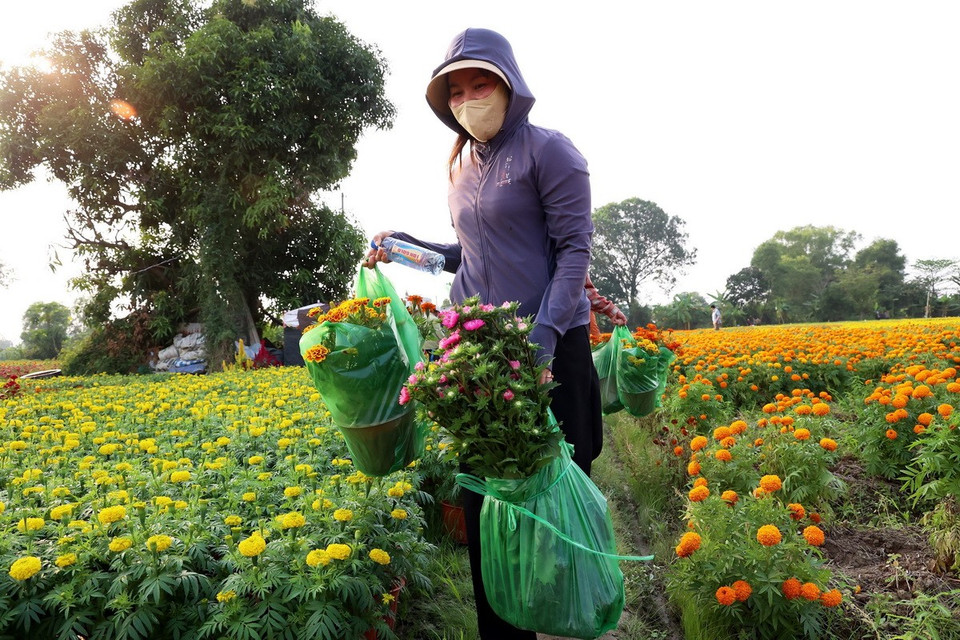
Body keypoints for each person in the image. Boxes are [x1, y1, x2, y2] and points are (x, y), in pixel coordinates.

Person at [365, 27, 602, 639]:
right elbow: (466, 257)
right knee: (488, 503)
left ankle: (573, 611)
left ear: (509, 85)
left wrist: (543, 341)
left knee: (558, 499)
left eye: (480, 84)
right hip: (483, 361)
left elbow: (574, 250)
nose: (468, 99)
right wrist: (405, 247)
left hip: (552, 349)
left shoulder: (551, 152)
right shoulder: (459, 165)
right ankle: (502, 628)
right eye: (456, 90)